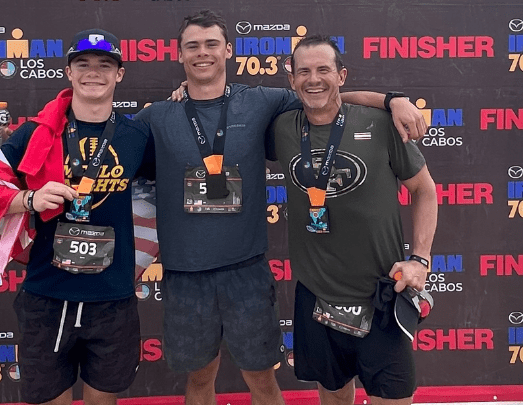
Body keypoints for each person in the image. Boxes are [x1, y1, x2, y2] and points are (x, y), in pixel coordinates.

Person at [134, 10, 428, 405]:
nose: (202, 53)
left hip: (247, 274)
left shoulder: (260, 101)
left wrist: (392, 100)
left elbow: (326, 99)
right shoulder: (158, 116)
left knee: (262, 382)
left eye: (211, 44)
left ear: (229, 51)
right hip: (186, 276)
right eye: (193, 46)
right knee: (199, 381)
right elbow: (108, 153)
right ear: (180, 54)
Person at [0, 28, 153, 405]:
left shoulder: (137, 135)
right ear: (69, 72)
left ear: (120, 74)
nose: (93, 73)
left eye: (105, 65)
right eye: (83, 64)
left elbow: (161, 193)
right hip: (48, 296)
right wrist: (29, 198)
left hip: (112, 296)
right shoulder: (35, 133)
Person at [267, 35, 438, 405]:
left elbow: (424, 191)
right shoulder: (282, 127)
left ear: (342, 75)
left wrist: (420, 259)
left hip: (382, 295)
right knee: (332, 396)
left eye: (324, 70)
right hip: (317, 296)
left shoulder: (380, 124)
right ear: (292, 79)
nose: (314, 79)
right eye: (304, 72)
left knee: (393, 399)